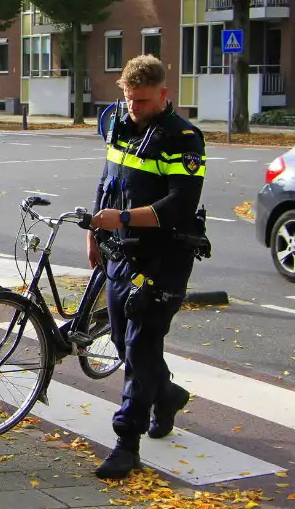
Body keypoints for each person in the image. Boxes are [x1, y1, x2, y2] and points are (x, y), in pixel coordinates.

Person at [87, 55, 207, 480]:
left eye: (142, 100)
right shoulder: (122, 125)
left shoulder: (184, 138)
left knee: (139, 346)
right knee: (122, 340)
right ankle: (168, 394)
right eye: (129, 99)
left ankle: (126, 443)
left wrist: (120, 219)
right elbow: (109, 180)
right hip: (124, 253)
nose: (134, 108)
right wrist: (95, 234)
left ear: (164, 95)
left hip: (164, 258)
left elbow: (178, 206)